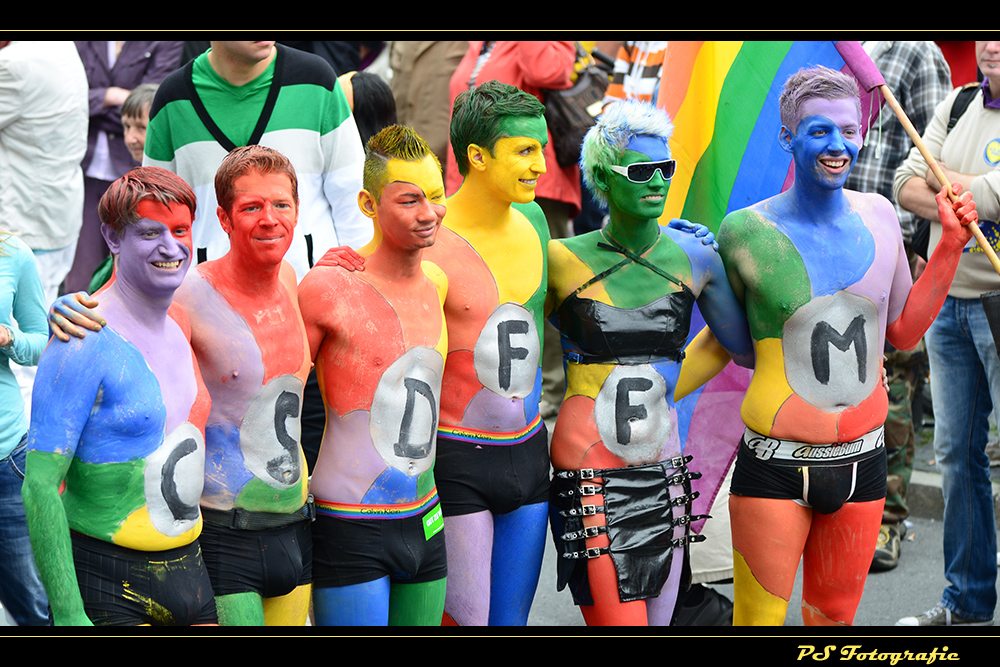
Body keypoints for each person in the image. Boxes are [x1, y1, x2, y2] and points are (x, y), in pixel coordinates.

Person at [716, 65, 977, 626]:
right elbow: (739, 348)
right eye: (818, 132)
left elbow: (904, 332)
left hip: (864, 459)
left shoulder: (882, 215)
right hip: (775, 465)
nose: (838, 146)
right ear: (788, 138)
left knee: (834, 620)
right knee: (757, 620)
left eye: (849, 130)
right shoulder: (743, 231)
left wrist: (951, 248)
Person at [50, 146, 316, 626]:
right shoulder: (187, 294)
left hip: (294, 524)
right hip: (216, 528)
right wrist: (66, 308)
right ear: (225, 219)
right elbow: (130, 323)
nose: (270, 219)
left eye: (281, 205)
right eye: (252, 207)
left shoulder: (297, 281)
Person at [545, 99, 754, 626]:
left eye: (667, 168)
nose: (658, 180)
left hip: (664, 468)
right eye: (642, 170)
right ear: (602, 179)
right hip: (590, 468)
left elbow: (742, 347)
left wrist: (662, 389)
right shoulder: (560, 259)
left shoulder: (697, 256)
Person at [21, 167, 216, 627]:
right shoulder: (81, 337)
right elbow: (40, 486)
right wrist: (69, 613)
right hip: (108, 580)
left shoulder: (180, 324)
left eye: (180, 230)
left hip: (192, 568)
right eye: (149, 233)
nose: (170, 247)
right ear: (112, 238)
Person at [299, 125, 449, 626]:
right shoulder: (328, 288)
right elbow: (271, 382)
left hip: (426, 516)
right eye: (410, 200)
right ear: (367, 203)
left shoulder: (439, 284)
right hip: (350, 521)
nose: (428, 213)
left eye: (435, 195)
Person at [893, 40, 1000, 627]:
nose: (992, 46)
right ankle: (968, 603)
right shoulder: (958, 103)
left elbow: (986, 196)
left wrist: (950, 188)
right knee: (958, 460)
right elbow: (904, 183)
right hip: (950, 304)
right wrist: (974, 192)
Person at [843, 41, 952, 573]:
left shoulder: (916, 51)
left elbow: (936, 161)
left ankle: (888, 520)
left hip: (895, 246)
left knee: (897, 390)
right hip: (835, 245)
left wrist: (912, 244)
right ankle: (844, 513)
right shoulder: (839, 50)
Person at [143, 40, 369, 281]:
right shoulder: (172, 99)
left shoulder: (316, 81)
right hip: (208, 303)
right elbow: (155, 218)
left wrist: (358, 288)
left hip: (311, 295)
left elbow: (353, 200)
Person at [0, 40, 88, 416]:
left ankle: (18, 460)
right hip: (54, 213)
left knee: (16, 358)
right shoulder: (60, 44)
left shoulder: (15, 63)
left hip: (22, 225)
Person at [66, 40, 183, 296]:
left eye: (138, 128)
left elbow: (154, 101)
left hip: (135, 175)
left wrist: (93, 109)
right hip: (83, 171)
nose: (131, 135)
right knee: (79, 280)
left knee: (136, 272)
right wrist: (111, 96)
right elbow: (65, 97)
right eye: (127, 126)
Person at [0, 227, 52, 627]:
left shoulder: (13, 254)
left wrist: (7, 337)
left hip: (5, 457)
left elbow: (41, 342)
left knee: (32, 602)